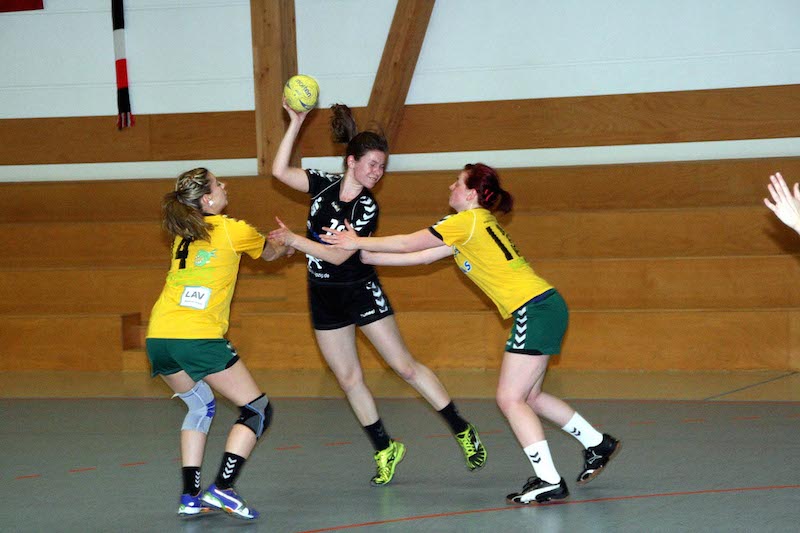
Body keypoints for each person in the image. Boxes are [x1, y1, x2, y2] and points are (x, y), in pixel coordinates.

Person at [320, 162, 621, 504]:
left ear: (471, 193)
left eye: (457, 182)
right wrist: (361, 254)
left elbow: (407, 243)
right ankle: (597, 444)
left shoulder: (465, 222)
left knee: (510, 399)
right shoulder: (475, 225)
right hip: (546, 306)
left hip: (534, 309)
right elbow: (421, 257)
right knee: (531, 397)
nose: (451, 187)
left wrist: (357, 239)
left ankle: (549, 480)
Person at [268, 102, 487, 486]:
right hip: (322, 293)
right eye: (372, 164)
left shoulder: (366, 206)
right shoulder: (323, 184)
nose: (377, 172)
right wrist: (296, 122)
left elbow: (338, 256)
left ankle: (461, 428)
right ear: (350, 161)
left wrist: (294, 240)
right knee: (348, 378)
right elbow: (279, 171)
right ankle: (385, 447)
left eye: (382, 166)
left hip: (360, 291)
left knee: (404, 367)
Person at [146, 167, 290, 520]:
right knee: (257, 410)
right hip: (197, 337)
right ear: (208, 199)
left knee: (200, 407)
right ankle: (223, 488)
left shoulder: (183, 235)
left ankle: (190, 496)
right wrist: (287, 242)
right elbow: (270, 254)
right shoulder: (232, 229)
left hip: (159, 335)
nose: (225, 185)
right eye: (217, 183)